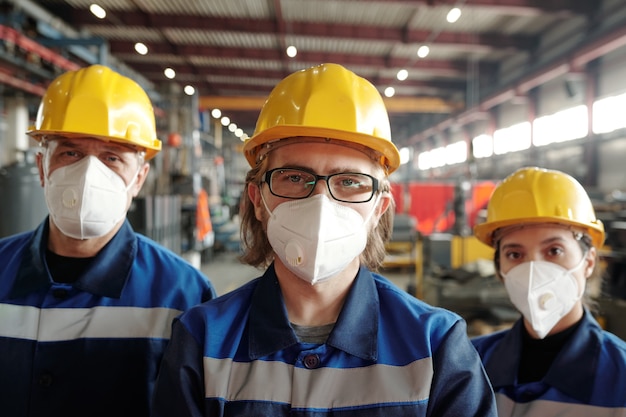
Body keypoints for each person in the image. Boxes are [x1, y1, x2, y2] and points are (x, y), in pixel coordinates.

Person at [151, 63, 496, 416]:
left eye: (349, 182)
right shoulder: (202, 339)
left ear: (379, 208)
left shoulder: (437, 346)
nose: (321, 203)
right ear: (257, 200)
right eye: (294, 177)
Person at [0, 65, 216, 416]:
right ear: (42, 167)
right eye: (70, 153)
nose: (88, 174)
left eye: (112, 157)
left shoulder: (182, 294)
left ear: (139, 179)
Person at [472, 166, 626, 416]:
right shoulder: (469, 362)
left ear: (588, 261)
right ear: (501, 270)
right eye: (515, 254)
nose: (533, 270)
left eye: (554, 250)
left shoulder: (621, 375)